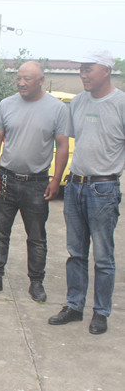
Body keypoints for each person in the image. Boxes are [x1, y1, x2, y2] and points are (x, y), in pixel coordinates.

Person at [0, 61, 70, 302]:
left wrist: (56, 180)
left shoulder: (57, 109)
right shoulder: (6, 105)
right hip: (6, 178)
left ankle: (36, 282)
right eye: (18, 78)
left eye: (27, 79)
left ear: (41, 81)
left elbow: (62, 145)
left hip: (37, 182)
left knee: (37, 236)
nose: (21, 83)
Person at [48, 50, 124, 335]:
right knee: (75, 252)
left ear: (106, 70)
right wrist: (58, 179)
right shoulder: (78, 102)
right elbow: (66, 142)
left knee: (103, 256)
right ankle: (74, 305)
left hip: (103, 188)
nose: (83, 74)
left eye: (88, 68)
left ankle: (101, 312)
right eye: (81, 69)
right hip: (75, 186)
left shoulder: (120, 103)